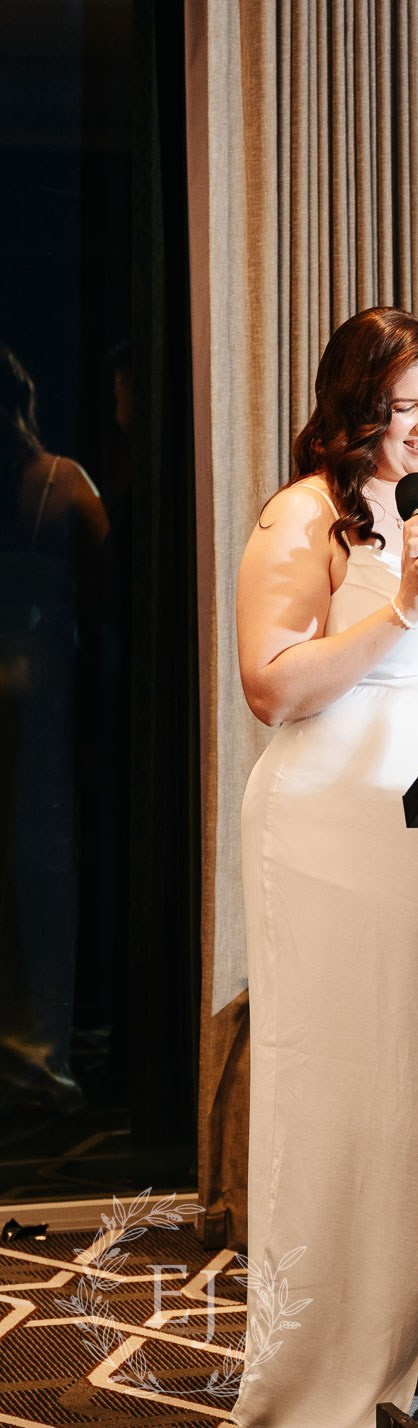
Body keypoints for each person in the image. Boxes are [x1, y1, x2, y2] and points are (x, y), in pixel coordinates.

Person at [233, 307, 418, 1428]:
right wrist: (397, 605)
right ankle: (341, 1361)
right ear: (354, 404)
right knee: (357, 1087)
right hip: (336, 835)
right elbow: (271, 687)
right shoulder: (303, 515)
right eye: (404, 407)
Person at [0, 341, 108, 1115]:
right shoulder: (58, 482)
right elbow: (116, 587)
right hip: (41, 686)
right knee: (39, 862)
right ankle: (39, 1059)